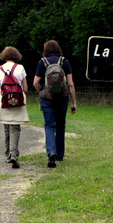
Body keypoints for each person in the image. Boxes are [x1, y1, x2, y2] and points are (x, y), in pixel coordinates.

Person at [33, 40, 77, 168]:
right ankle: (60, 155)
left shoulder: (43, 62)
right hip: (63, 98)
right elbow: (71, 84)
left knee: (49, 125)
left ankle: (51, 151)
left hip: (47, 99)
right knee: (60, 126)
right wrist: (74, 102)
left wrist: (42, 92)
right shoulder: (65, 62)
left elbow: (35, 83)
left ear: (46, 50)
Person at [0, 46, 29, 169]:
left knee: (6, 127)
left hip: (4, 100)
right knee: (15, 127)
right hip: (17, 100)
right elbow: (25, 88)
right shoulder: (20, 68)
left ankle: (8, 154)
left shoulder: (0, 69)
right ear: (16, 56)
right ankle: (14, 153)